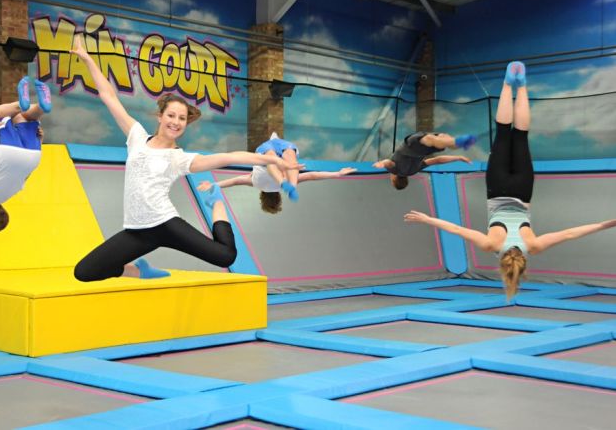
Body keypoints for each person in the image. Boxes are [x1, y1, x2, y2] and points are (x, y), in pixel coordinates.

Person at [70, 35, 301, 282]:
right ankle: (139, 272)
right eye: (171, 115)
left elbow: (228, 156)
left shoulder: (179, 158)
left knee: (225, 256)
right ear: (160, 116)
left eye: (182, 118)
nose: (176, 122)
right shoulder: (136, 136)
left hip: (165, 224)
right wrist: (86, 58)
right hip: (136, 231)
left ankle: (217, 204)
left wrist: (273, 161)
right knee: (84, 272)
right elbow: (108, 96)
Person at [404, 61, 616, 299]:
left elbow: (569, 234)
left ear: (523, 263)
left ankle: (521, 85)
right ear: (502, 265)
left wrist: (606, 224)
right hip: (497, 188)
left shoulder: (533, 246)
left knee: (521, 136)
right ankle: (508, 83)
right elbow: (455, 228)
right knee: (504, 133)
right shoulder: (491, 245)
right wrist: (427, 219)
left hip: (523, 189)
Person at [0, 77, 52, 232]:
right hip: (7, 154)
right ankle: (21, 105)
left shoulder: (10, 193)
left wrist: (39, 142)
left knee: (23, 118)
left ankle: (42, 107)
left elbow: (26, 174)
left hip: (32, 157)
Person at [197, 132, 356, 214]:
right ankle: (287, 181)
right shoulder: (254, 183)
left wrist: (337, 174)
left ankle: (289, 184)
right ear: (262, 197)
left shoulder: (257, 181)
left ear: (278, 196)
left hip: (279, 157)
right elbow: (234, 181)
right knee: (272, 159)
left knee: (285, 158)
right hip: (266, 156)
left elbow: (312, 175)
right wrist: (213, 184)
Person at [373, 131, 476, 190]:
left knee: (441, 140)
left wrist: (458, 158)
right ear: (394, 179)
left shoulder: (413, 171)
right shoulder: (395, 171)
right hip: (411, 146)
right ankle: (455, 142)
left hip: (423, 152)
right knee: (432, 139)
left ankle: (457, 143)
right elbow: (389, 163)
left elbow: (437, 160)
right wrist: (382, 163)